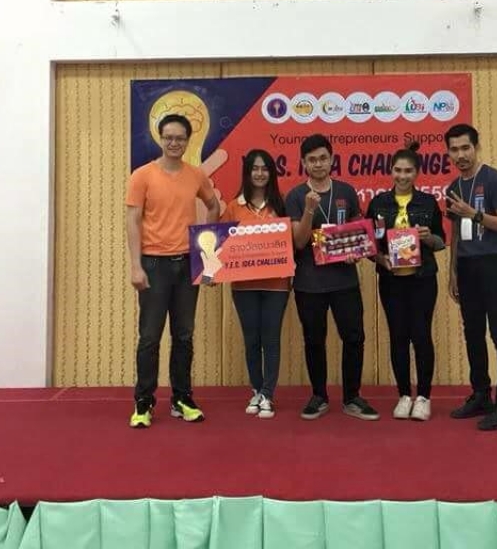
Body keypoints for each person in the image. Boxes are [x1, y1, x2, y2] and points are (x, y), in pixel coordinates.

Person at [126, 113, 220, 428]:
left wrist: (207, 253)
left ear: (188, 141)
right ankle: (144, 402)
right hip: (153, 265)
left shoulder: (196, 175)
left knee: (184, 335)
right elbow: (132, 220)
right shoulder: (142, 175)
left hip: (187, 264)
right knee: (150, 337)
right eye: (169, 137)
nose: (174, 143)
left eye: (180, 138)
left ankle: (182, 399)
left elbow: (213, 205)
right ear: (160, 138)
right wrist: (136, 266)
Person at [285, 134, 379, 421]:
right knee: (314, 340)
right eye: (312, 160)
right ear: (304, 163)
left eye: (323, 158)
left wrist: (356, 251)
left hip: (344, 280)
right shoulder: (295, 196)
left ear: (331, 159)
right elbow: (299, 242)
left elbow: (359, 233)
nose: (318, 164)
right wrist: (309, 210)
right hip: (309, 282)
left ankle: (352, 396)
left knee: (354, 337)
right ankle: (319, 396)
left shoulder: (346, 191)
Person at [444, 123, 497, 431]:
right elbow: (455, 233)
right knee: (473, 332)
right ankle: (481, 394)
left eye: (465, 148)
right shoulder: (452, 187)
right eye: (454, 150)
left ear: (476, 147)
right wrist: (453, 271)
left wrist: (473, 213)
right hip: (467, 267)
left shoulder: (495, 180)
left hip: (495, 265)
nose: (460, 155)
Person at [366, 141, 446, 421]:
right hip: (391, 281)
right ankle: (403, 395)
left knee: (421, 336)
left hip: (422, 280)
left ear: (416, 173)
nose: (402, 176)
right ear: (391, 171)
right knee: (398, 336)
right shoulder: (378, 204)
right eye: (398, 170)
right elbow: (369, 245)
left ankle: (423, 397)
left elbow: (441, 242)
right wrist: (380, 260)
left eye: (408, 171)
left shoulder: (428, 202)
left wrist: (427, 237)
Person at [222, 150, 291, 419]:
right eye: (255, 168)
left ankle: (268, 395)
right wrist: (209, 273)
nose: (260, 173)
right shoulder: (233, 207)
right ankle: (256, 391)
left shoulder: (281, 205)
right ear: (247, 172)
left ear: (271, 173)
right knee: (251, 339)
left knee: (271, 339)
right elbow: (220, 246)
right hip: (244, 286)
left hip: (277, 285)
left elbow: (291, 243)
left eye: (265, 169)